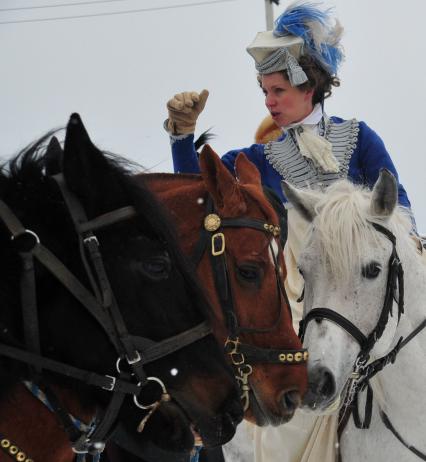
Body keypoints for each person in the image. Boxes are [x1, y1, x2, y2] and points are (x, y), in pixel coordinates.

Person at [164, 2, 414, 462]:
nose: (269, 102)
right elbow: (205, 192)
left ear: (310, 86)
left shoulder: (360, 138)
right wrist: (183, 137)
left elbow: (399, 211)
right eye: (264, 92)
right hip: (303, 295)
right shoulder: (261, 159)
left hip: (364, 285)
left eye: (278, 90)